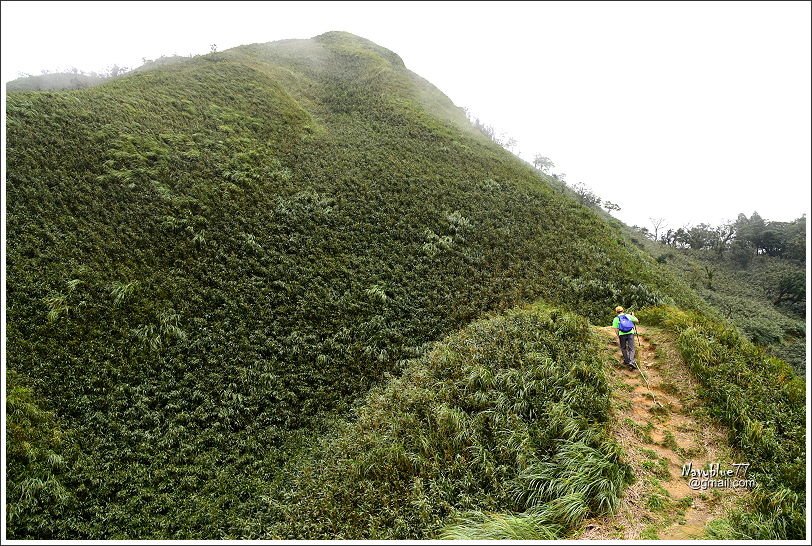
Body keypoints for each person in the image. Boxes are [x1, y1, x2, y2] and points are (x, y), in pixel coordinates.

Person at [612, 306, 639, 370]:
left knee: (623, 348)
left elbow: (616, 329)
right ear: (623, 310)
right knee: (631, 348)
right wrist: (633, 316)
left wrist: (618, 335)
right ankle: (631, 361)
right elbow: (637, 321)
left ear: (616, 312)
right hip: (630, 333)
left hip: (622, 334)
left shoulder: (616, 319)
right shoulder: (628, 316)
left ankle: (627, 361)